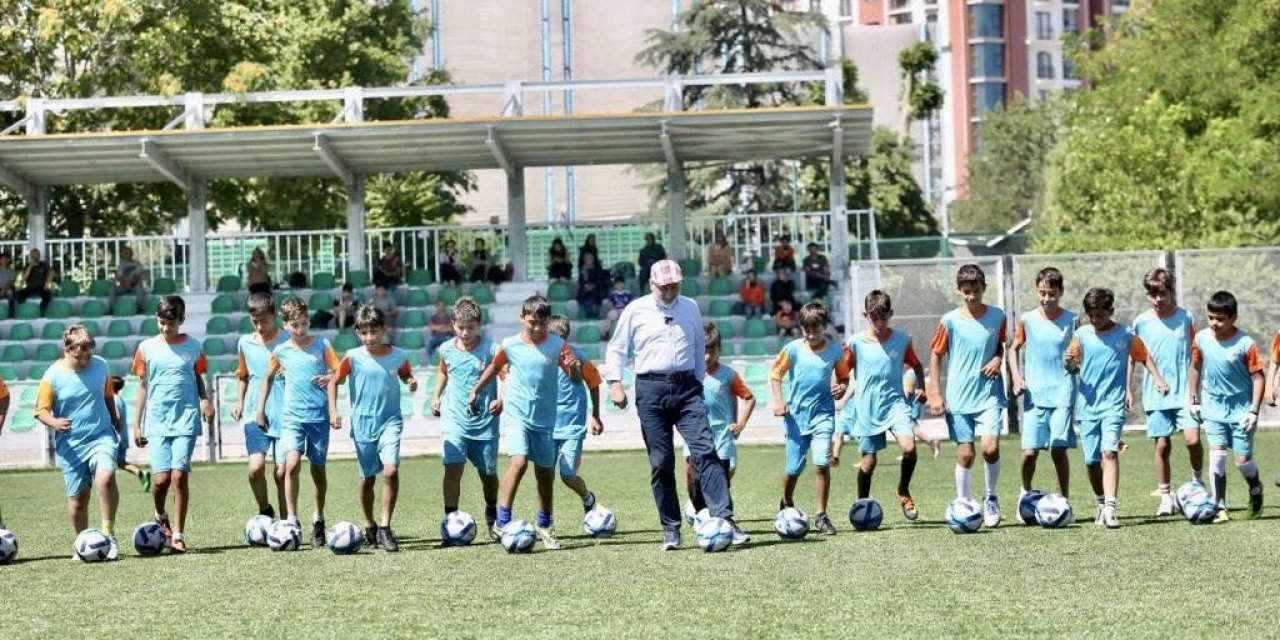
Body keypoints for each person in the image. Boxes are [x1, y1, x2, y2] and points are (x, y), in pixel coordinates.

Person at [603, 259, 746, 551]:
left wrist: (696, 382)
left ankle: (725, 519)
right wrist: (615, 383)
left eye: (674, 286)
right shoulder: (635, 309)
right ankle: (671, 529)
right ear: (652, 285)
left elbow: (696, 348)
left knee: (706, 451)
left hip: (687, 389)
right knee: (661, 462)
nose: (670, 292)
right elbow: (616, 349)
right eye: (664, 287)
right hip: (650, 388)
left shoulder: (690, 306)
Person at [468, 295, 582, 550]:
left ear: (547, 321)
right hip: (517, 415)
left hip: (544, 420)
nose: (536, 327)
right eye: (531, 322)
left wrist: (574, 369)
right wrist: (476, 389)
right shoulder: (510, 345)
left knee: (544, 475)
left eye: (541, 322)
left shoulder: (558, 345)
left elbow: (575, 380)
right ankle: (503, 520)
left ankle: (544, 524)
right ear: (522, 318)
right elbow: (495, 367)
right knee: (518, 462)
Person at [1065, 287, 1168, 528]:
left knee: (1109, 452)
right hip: (1088, 406)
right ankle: (1100, 501)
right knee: (1091, 461)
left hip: (1113, 405)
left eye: (1100, 315)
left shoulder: (1125, 335)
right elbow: (1072, 368)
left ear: (1111, 311)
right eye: (1091, 315)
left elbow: (1143, 356)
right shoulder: (1081, 334)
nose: (1095, 320)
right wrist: (1069, 362)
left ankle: (1111, 508)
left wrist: (1158, 379)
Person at [329, 304, 417, 551]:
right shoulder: (353, 357)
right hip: (363, 424)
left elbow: (405, 373)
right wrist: (334, 411)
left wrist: (410, 381)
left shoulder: (398, 355)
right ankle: (370, 526)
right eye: (364, 333)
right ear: (358, 332)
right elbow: (335, 381)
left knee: (390, 471)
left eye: (374, 332)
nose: (370, 338)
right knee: (367, 478)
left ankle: (386, 528)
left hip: (390, 421)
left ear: (384, 330)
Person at [926, 264, 1007, 528]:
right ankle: (963, 503)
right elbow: (936, 355)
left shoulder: (998, 316)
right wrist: (935, 392)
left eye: (976, 290)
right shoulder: (949, 321)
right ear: (959, 291)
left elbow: (999, 345)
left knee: (990, 448)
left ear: (984, 287)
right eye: (966, 291)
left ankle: (991, 497)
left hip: (988, 394)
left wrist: (997, 358)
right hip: (959, 397)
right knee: (966, 455)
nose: (972, 296)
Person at [255, 298, 340, 549]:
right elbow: (267, 378)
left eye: (305, 323)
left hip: (318, 418)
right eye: (296, 325)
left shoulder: (322, 345)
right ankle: (291, 521)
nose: (301, 329)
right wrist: (260, 409)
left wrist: (331, 383)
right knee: (290, 465)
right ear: (286, 325)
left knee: (318, 469)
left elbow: (338, 373)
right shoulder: (281, 351)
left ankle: (318, 518)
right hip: (291, 418)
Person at [131, 295, 213, 553]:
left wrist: (205, 399)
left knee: (179, 476)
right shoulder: (146, 348)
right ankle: (159, 514)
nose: (166, 328)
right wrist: (137, 423)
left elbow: (197, 377)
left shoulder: (194, 347)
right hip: (157, 420)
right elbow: (143, 385)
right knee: (160, 481)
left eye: (171, 324)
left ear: (182, 321)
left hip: (186, 417)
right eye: (162, 323)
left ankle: (178, 534)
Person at [35, 325, 121, 560]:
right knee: (78, 500)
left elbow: (107, 395)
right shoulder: (52, 375)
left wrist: (115, 418)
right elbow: (40, 411)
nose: (84, 361)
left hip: (101, 435)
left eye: (88, 355)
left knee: (105, 477)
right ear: (66, 349)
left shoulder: (101, 366)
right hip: (71, 445)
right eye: (78, 356)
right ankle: (83, 543)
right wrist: (54, 422)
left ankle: (108, 535)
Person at [843, 291, 926, 522]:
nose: (879, 323)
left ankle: (903, 490)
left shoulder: (901, 339)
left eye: (883, 317)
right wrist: (839, 386)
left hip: (895, 404)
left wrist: (922, 388)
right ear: (866, 315)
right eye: (874, 318)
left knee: (909, 448)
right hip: (868, 408)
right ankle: (862, 504)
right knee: (869, 462)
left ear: (891, 314)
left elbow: (917, 364)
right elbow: (842, 371)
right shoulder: (856, 343)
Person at [770, 301, 850, 535]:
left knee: (822, 463)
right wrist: (778, 401)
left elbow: (844, 378)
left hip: (823, 416)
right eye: (806, 328)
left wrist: (842, 388)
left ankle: (821, 516)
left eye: (815, 328)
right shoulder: (793, 349)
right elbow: (776, 374)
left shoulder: (835, 351)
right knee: (793, 469)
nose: (810, 333)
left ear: (824, 326)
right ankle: (786, 500)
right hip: (796, 418)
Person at [1132, 267, 1203, 516]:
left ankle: (1197, 483)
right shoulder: (1141, 322)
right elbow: (1135, 356)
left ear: (1171, 291)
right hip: (1156, 394)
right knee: (1162, 445)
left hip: (1184, 393)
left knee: (1193, 440)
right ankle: (1165, 496)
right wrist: (1128, 390)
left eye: (1162, 293)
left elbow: (1197, 353)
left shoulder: (1186, 317)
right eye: (1152, 295)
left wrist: (1195, 391)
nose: (1158, 299)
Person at [1190, 290, 1264, 521]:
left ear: (1234, 318)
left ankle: (1255, 487)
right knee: (1217, 456)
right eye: (1211, 317)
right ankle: (1219, 505)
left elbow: (1258, 377)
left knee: (1243, 462)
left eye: (1220, 318)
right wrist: (1193, 399)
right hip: (1213, 407)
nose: (1214, 322)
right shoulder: (1201, 338)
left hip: (1241, 409)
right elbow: (1195, 366)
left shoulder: (1245, 343)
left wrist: (1253, 410)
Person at [431, 296, 502, 539]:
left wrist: (499, 398)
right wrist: (436, 396)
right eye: (461, 328)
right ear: (453, 324)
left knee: (488, 474)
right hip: (455, 419)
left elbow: (505, 375)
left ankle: (492, 509)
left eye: (470, 328)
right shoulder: (446, 349)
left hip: (485, 422)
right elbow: (443, 371)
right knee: (452, 467)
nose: (465, 332)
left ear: (479, 325)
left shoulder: (492, 349)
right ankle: (451, 520)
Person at [1008, 267, 1077, 509]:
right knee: (1030, 452)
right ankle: (1024, 494)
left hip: (1063, 393)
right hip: (1035, 395)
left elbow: (1081, 354)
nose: (1046, 298)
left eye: (1051, 293)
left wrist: (1075, 365)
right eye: (1042, 293)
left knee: (1058, 450)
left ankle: (1063, 501)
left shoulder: (1073, 320)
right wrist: (1017, 379)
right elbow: (1013, 349)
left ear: (1061, 292)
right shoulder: (1027, 320)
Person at [230, 292, 290, 519]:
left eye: (264, 321)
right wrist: (239, 402)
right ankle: (265, 509)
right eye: (255, 322)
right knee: (255, 469)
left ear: (274, 315)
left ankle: (287, 523)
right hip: (256, 413)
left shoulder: (288, 340)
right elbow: (243, 375)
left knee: (282, 471)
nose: (260, 326)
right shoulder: (244, 343)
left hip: (285, 412)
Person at [684, 323, 755, 512]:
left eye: (712, 351)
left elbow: (749, 398)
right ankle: (699, 512)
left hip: (722, 435)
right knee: (694, 480)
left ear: (720, 350)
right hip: (696, 433)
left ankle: (722, 516)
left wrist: (740, 424)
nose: (707, 356)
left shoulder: (729, 375)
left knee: (722, 477)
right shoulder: (689, 374)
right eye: (703, 351)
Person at [548, 315, 606, 515]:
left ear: (564, 338)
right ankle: (546, 519)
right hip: (547, 427)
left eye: (555, 338)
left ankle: (588, 498)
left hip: (572, 426)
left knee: (567, 474)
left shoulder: (578, 357)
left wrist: (596, 416)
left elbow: (595, 383)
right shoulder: (543, 360)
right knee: (545, 474)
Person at [110, 375, 150, 492]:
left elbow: (116, 416)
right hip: (123, 436)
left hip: (115, 437)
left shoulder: (113, 399)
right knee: (121, 462)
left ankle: (108, 487)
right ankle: (140, 472)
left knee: (108, 462)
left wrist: (113, 423)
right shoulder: (120, 399)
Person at [107, 246, 148, 313]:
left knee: (140, 290)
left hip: (134, 286)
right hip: (123, 286)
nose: (125, 255)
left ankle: (140, 309)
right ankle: (112, 309)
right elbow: (119, 277)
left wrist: (130, 284)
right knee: (112, 289)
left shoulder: (137, 264)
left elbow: (137, 276)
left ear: (131, 254)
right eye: (124, 253)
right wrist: (125, 284)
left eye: (127, 253)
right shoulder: (121, 265)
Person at [16, 247, 54, 315]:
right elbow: (24, 278)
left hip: (41, 287)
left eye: (36, 254)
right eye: (33, 254)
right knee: (19, 294)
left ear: (39, 255)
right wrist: (30, 266)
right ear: (30, 256)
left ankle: (41, 311)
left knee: (48, 295)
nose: (35, 256)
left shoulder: (44, 264)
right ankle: (24, 309)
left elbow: (51, 273)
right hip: (30, 287)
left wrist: (47, 283)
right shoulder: (27, 265)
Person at [576, 253, 608, 320]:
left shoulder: (597, 270)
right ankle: (590, 320)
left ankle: (595, 317)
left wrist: (593, 285)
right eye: (587, 258)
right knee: (587, 301)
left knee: (594, 300)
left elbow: (599, 281)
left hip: (595, 292)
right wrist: (586, 286)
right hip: (584, 292)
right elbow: (581, 282)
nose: (588, 260)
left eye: (590, 258)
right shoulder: (582, 270)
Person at [0, 252, 15, 319]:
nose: (4, 261)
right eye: (3, 259)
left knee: (10, 293)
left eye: (6, 259)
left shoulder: (11, 271)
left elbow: (10, 282)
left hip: (7, 288)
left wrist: (3, 290)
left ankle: (11, 314)